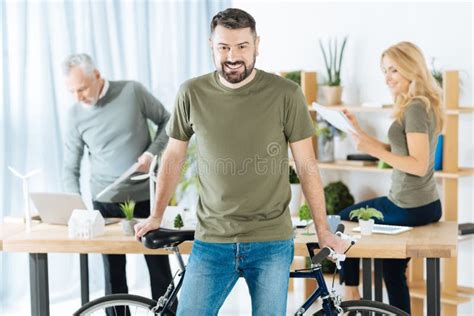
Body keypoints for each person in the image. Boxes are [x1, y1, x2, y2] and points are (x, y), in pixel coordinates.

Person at [134, 8, 347, 315]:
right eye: (223, 47)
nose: (232, 56)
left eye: (242, 46)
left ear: (257, 44)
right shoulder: (192, 93)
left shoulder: (285, 94)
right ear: (211, 45)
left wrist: (324, 231)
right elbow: (173, 156)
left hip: (271, 241)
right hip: (212, 240)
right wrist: (156, 215)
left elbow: (307, 166)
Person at [61, 54, 176, 314]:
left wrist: (152, 152)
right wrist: (77, 207)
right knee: (113, 273)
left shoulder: (132, 91)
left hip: (145, 196)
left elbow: (168, 122)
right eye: (72, 91)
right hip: (104, 203)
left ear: (97, 76)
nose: (79, 97)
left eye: (82, 88)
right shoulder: (74, 116)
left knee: (158, 266)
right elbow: (71, 167)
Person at [339, 42, 444, 314]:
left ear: (412, 69)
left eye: (394, 70)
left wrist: (372, 149)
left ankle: (350, 290)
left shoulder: (415, 109)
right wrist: (361, 134)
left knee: (345, 219)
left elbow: (418, 165)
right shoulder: (417, 105)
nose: (387, 78)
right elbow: (399, 152)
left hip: (409, 206)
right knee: (392, 268)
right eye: (384, 70)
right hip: (419, 203)